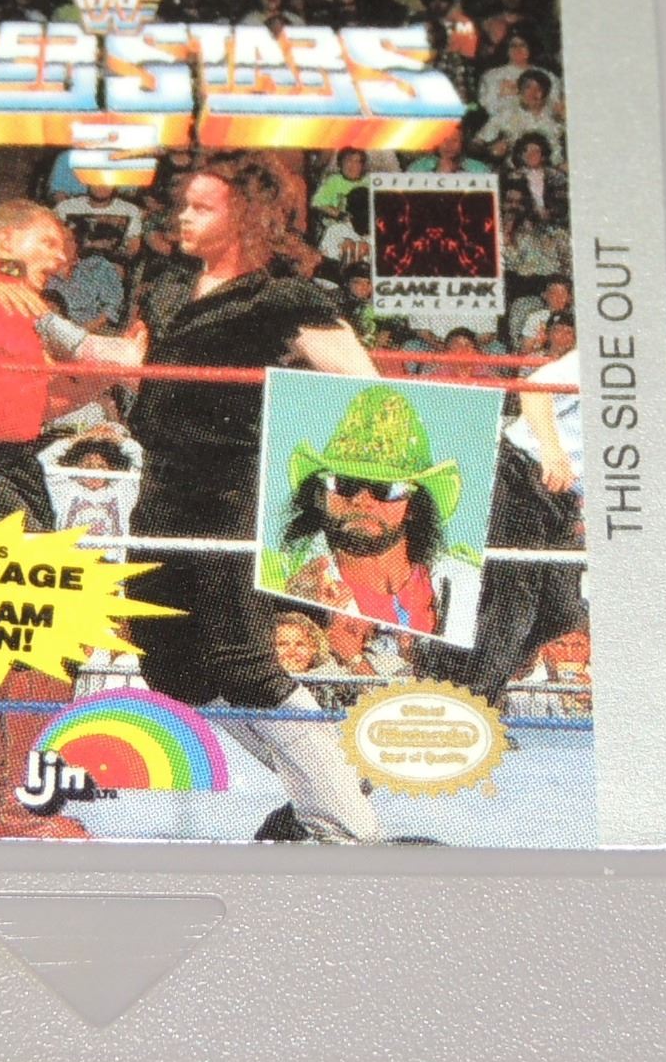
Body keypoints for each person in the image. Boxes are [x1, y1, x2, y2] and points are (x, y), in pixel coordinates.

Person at [127, 152, 385, 843]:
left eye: (202, 206)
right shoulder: (169, 287)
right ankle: (325, 775)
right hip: (160, 487)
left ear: (243, 216)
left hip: (229, 489)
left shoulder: (281, 298)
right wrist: (46, 330)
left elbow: (364, 382)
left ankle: (345, 826)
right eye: (185, 203)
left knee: (241, 661)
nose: (183, 216)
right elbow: (139, 366)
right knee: (168, 661)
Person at [0, 201, 147, 840]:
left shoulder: (21, 314)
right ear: (7, 238)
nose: (62, 257)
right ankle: (23, 807)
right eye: (49, 242)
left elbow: (34, 409)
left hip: (12, 464)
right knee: (44, 629)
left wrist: (108, 376)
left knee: (31, 633)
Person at [261, 385, 480, 665]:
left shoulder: (466, 584)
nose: (361, 501)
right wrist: (291, 603)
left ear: (414, 506)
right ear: (321, 496)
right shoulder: (275, 574)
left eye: (384, 489)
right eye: (345, 484)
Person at [416, 348, 585, 706]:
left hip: (564, 498)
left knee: (563, 610)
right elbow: (534, 388)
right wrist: (552, 450)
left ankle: (454, 680)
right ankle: (469, 703)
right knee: (512, 603)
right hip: (521, 472)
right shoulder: (609, 355)